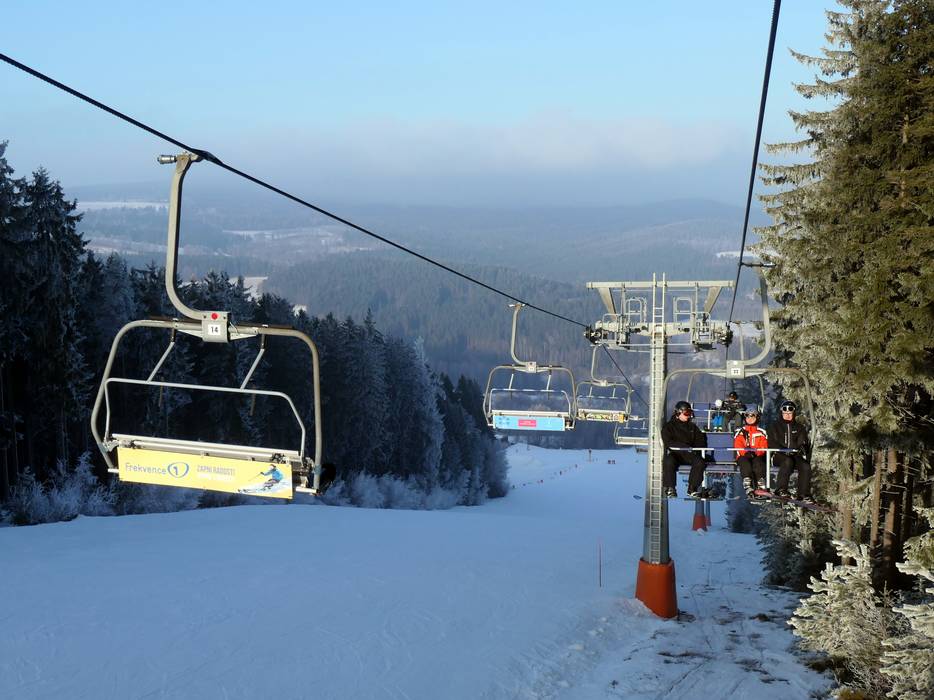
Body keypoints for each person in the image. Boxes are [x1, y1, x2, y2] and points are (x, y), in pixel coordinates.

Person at [766, 400, 813, 502]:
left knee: (805, 466)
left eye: (790, 413)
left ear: (793, 414)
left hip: (794, 455)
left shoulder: (799, 428)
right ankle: (781, 490)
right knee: (787, 461)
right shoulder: (775, 427)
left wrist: (802, 447)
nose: (787, 415)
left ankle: (803, 494)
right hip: (778, 455)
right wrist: (783, 451)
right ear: (781, 413)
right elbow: (771, 442)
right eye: (785, 413)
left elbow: (802, 441)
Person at [661, 400, 708, 498]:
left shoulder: (692, 427)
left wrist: (695, 449)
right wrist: (684, 447)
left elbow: (700, 440)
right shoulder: (669, 427)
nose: (689, 416)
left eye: (690, 413)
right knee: (668, 461)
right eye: (686, 413)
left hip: (689, 454)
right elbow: (668, 442)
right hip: (676, 454)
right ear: (678, 413)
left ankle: (692, 488)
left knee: (700, 462)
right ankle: (670, 488)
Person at [734, 408, 768, 497]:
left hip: (757, 456)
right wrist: (745, 452)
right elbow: (738, 445)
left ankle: (760, 483)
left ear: (757, 418)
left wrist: (756, 453)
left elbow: (763, 446)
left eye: (752, 416)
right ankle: (747, 484)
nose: (750, 418)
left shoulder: (761, 432)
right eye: (747, 416)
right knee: (745, 463)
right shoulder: (740, 432)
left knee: (758, 462)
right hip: (743, 456)